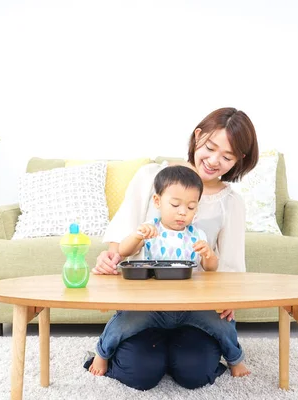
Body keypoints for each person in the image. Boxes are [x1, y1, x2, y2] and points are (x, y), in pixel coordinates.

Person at [89, 107, 259, 390]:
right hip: (146, 302)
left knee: (194, 374)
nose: (214, 161)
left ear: (239, 159)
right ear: (198, 136)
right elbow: (120, 242)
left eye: (227, 156)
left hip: (195, 309)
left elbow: (229, 267)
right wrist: (109, 258)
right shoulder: (151, 176)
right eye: (210, 147)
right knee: (139, 374)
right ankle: (124, 351)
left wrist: (229, 297)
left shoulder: (231, 202)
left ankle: (189, 351)